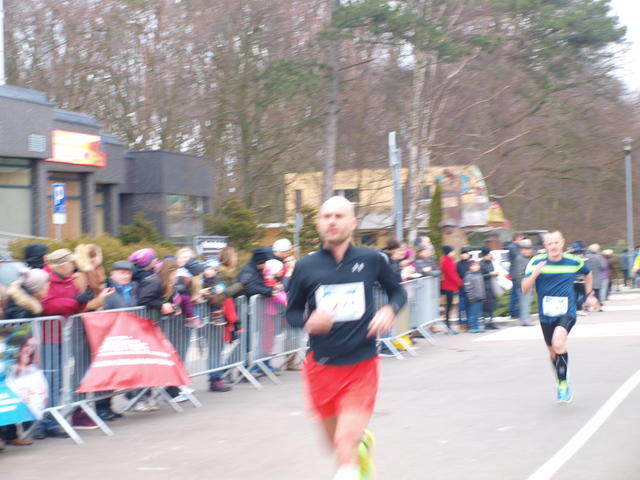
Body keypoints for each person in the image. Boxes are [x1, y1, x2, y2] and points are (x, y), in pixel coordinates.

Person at [286, 196, 407, 480]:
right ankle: (361, 444)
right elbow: (291, 312)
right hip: (322, 366)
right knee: (335, 444)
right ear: (319, 223)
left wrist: (389, 310)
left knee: (343, 443)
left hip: (361, 364)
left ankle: (352, 457)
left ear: (353, 223)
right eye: (326, 216)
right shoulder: (305, 266)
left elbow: (397, 291)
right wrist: (308, 322)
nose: (332, 221)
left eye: (339, 216)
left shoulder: (371, 259)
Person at [521, 230, 599, 403]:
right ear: (545, 246)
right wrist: (534, 274)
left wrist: (589, 295)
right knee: (553, 351)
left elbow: (588, 273)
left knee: (558, 343)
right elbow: (524, 289)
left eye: (556, 243)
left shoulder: (573, 261)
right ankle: (561, 376)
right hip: (546, 315)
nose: (553, 246)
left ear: (562, 242)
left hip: (567, 312)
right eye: (550, 244)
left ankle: (563, 385)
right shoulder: (536, 262)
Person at [512, 239, 535, 326]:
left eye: (529, 249)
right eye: (525, 249)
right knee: (525, 303)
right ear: (521, 250)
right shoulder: (520, 259)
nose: (528, 251)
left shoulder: (527, 258)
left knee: (526, 302)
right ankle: (525, 320)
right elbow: (519, 274)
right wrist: (523, 285)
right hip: (524, 285)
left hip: (528, 283)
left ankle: (525, 319)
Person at [440, 246, 462, 333]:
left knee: (449, 307)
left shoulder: (447, 260)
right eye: (452, 251)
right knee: (448, 307)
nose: (454, 253)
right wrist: (460, 283)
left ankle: (448, 326)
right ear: (449, 252)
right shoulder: (447, 261)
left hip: (449, 285)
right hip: (449, 286)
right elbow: (452, 274)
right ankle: (448, 326)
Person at [506, 233, 525, 318]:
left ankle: (514, 311)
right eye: (521, 239)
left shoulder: (515, 246)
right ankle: (514, 312)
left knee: (515, 293)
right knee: (516, 294)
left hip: (517, 273)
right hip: (516, 273)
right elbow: (519, 257)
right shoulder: (512, 247)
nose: (522, 241)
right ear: (517, 238)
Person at [463, 261, 485, 333]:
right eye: (474, 265)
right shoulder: (468, 276)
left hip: (480, 297)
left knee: (478, 313)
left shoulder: (479, 274)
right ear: (470, 267)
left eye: (477, 265)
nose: (476, 267)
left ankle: (477, 326)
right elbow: (468, 288)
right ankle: (472, 327)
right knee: (473, 313)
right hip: (473, 297)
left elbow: (482, 286)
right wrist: (470, 297)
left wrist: (483, 295)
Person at [479, 247, 499, 330]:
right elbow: (481, 276)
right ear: (485, 255)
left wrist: (495, 274)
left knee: (492, 306)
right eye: (488, 254)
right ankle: (487, 324)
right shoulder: (481, 264)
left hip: (492, 286)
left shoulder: (490, 262)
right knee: (486, 307)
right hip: (485, 288)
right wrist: (490, 274)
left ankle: (491, 323)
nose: (490, 255)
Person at [456, 247, 471, 330]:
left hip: (470, 288)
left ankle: (469, 322)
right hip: (461, 288)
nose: (464, 255)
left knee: (469, 306)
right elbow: (456, 276)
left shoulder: (471, 263)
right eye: (463, 253)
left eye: (466, 253)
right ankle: (462, 323)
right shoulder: (458, 264)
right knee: (462, 307)